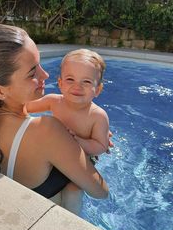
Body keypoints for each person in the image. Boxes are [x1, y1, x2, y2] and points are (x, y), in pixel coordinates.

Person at [0, 24, 109, 214]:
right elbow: (100, 192)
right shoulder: (47, 131)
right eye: (32, 72)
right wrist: (77, 146)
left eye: (39, 64)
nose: (45, 75)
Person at [23, 49, 110, 213]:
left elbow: (101, 146)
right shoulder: (53, 101)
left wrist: (76, 140)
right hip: (55, 156)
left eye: (86, 82)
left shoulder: (97, 116)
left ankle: (72, 221)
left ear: (97, 90)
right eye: (70, 79)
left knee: (73, 191)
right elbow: (24, 108)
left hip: (82, 160)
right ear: (60, 83)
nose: (77, 86)